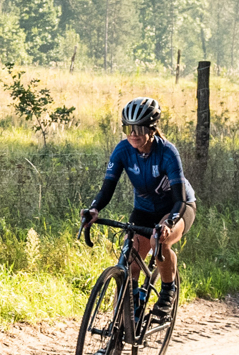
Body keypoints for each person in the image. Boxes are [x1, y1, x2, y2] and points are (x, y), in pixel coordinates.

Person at [80, 97, 197, 326]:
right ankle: (122, 322)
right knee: (129, 262)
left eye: (139, 128)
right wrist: (94, 209)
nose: (133, 134)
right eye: (128, 128)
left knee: (158, 241)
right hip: (144, 210)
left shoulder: (167, 153)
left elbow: (180, 200)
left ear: (151, 129)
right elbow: (107, 188)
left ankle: (168, 291)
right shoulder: (123, 150)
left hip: (177, 208)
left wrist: (168, 223)